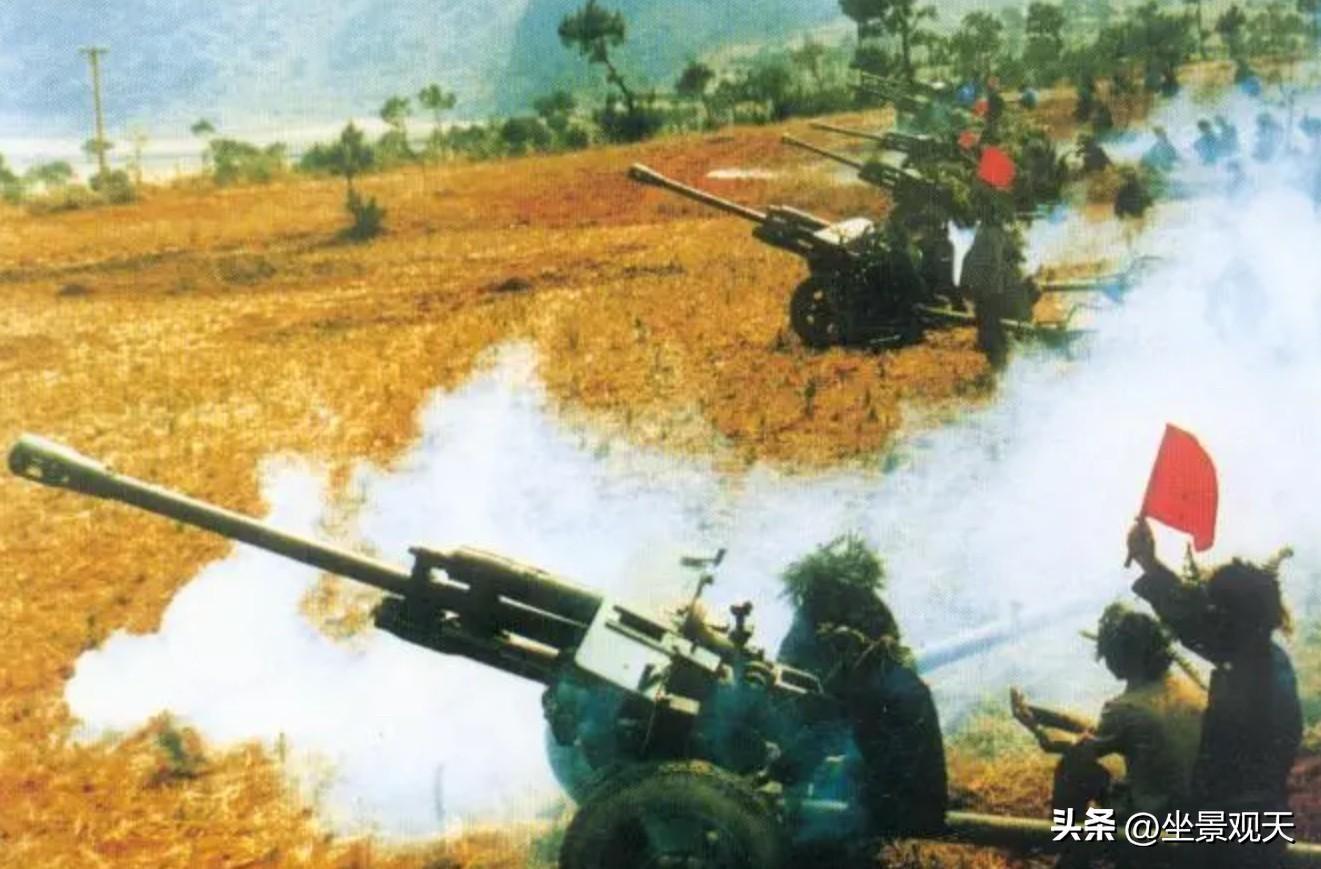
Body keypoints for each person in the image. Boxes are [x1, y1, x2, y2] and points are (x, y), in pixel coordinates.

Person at [1126, 519, 1303, 869]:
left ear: (1230, 620)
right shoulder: (1262, 655)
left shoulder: (1251, 683)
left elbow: (1199, 626)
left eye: (1214, 611)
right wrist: (1150, 562)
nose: (1207, 617)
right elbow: (1199, 625)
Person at [776, 536, 948, 843]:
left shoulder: (880, 687)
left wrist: (782, 772)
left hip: (900, 810)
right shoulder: (895, 676)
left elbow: (829, 724)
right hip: (904, 786)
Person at [1011, 604, 1207, 824]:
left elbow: (1076, 748)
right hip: (1197, 812)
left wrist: (1035, 728)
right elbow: (1104, 731)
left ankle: (1066, 837)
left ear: (1119, 656)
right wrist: (1042, 714)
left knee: (1071, 769)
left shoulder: (1125, 708)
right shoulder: (1191, 689)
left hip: (1155, 822)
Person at [960, 197, 1019, 371]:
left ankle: (1000, 368)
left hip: (989, 290)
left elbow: (976, 261)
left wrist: (967, 285)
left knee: (990, 331)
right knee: (994, 329)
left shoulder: (985, 235)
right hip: (998, 289)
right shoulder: (999, 234)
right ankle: (1002, 366)